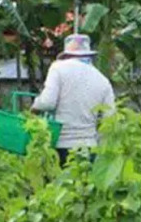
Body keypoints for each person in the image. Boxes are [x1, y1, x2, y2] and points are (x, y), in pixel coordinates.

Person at [31, 33, 115, 163]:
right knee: (84, 182)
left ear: (66, 54)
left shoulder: (58, 68)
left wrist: (35, 108)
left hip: (61, 145)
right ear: (89, 55)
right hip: (89, 147)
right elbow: (109, 119)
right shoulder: (102, 80)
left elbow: (47, 103)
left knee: (59, 182)